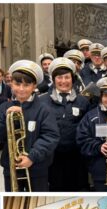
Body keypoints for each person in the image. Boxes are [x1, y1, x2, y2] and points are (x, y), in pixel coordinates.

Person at [0, 60, 60, 191]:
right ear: (11, 84)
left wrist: (32, 157)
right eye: (17, 84)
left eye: (26, 85)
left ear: (34, 86)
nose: (21, 89)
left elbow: (50, 136)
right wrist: (4, 117)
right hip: (11, 167)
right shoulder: (4, 107)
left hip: (37, 167)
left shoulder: (44, 109)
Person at [39, 57, 91, 191]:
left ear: (72, 79)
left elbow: (87, 129)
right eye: (59, 78)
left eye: (67, 77)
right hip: (51, 157)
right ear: (53, 79)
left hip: (77, 157)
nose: (63, 81)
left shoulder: (83, 101)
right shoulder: (42, 101)